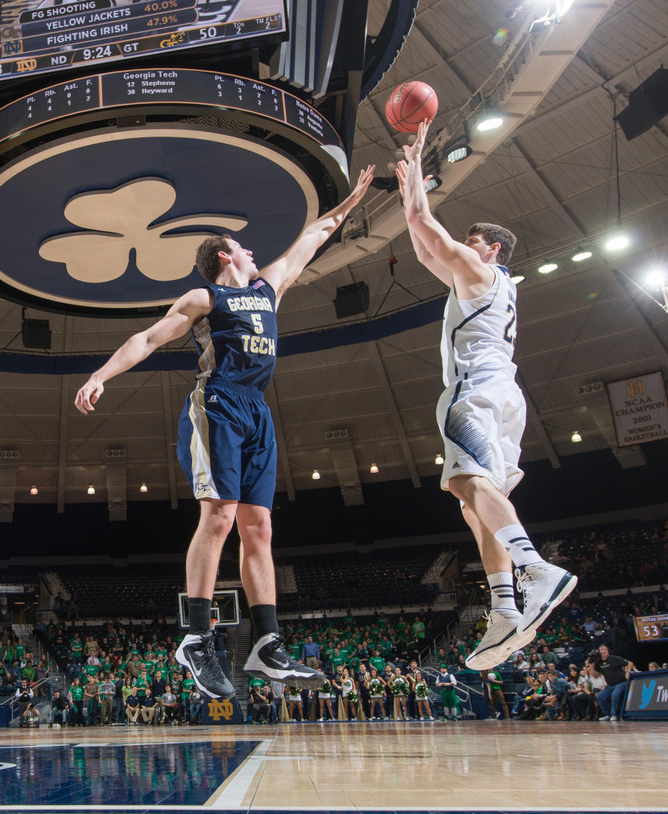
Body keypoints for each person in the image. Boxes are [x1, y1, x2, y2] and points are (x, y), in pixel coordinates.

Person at [76, 166, 375, 699]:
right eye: (244, 249)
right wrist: (99, 375)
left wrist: (350, 202)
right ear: (223, 256)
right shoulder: (204, 300)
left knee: (258, 528)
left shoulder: (268, 289)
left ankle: (267, 641)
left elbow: (314, 236)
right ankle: (195, 635)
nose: (254, 253)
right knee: (218, 516)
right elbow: (146, 338)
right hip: (217, 404)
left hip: (258, 411)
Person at [396, 122, 576, 672]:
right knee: (475, 503)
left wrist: (419, 173)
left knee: (466, 484)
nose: (463, 249)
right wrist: (409, 197)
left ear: (491, 248)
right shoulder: (495, 286)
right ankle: (504, 607)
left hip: (473, 392)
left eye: (472, 242)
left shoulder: (480, 267)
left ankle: (536, 569)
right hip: (506, 397)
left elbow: (429, 227)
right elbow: (426, 248)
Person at [592, 644, 632, 722]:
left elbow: (629, 663)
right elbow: (595, 675)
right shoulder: (598, 663)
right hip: (610, 685)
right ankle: (608, 714)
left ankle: (614, 715)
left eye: (605, 649)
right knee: (600, 696)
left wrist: (628, 672)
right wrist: (591, 664)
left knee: (615, 695)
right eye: (601, 649)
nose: (603, 651)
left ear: (608, 651)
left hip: (621, 682)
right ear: (599, 652)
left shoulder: (614, 658)